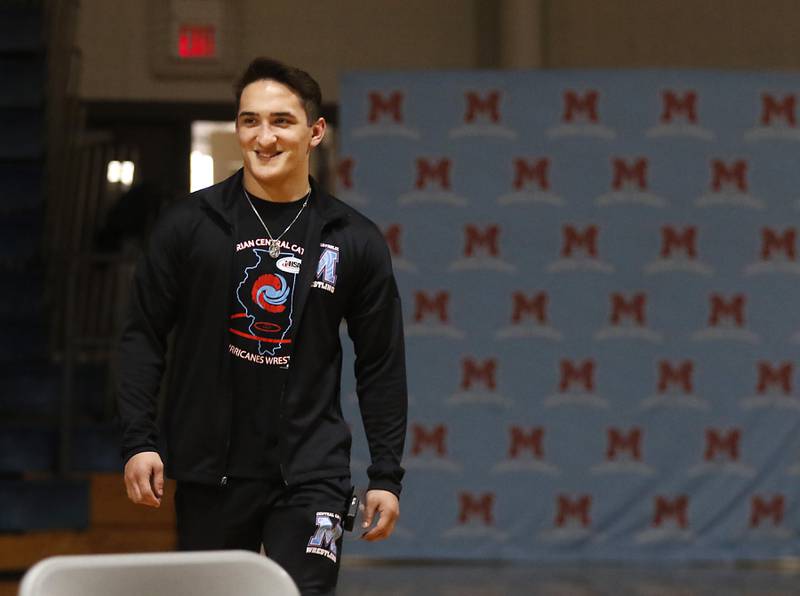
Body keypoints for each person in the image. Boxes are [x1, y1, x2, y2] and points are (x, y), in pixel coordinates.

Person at [116, 57, 407, 595]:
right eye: (250, 121)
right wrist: (139, 440)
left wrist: (385, 475)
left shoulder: (352, 238)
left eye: (281, 121)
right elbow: (142, 335)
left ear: (315, 132)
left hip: (312, 474)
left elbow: (381, 363)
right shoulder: (189, 226)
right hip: (211, 473)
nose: (264, 137)